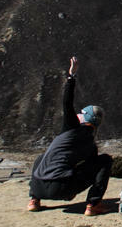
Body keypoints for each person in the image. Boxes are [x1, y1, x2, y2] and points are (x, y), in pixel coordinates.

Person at [26, 56, 113, 216]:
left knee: (42, 158)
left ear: (85, 118)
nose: (78, 114)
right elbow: (88, 169)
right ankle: (93, 204)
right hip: (62, 188)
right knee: (104, 161)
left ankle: (34, 200)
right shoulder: (91, 145)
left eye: (81, 113)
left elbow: (67, 103)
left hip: (39, 186)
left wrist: (71, 77)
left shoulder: (71, 127)